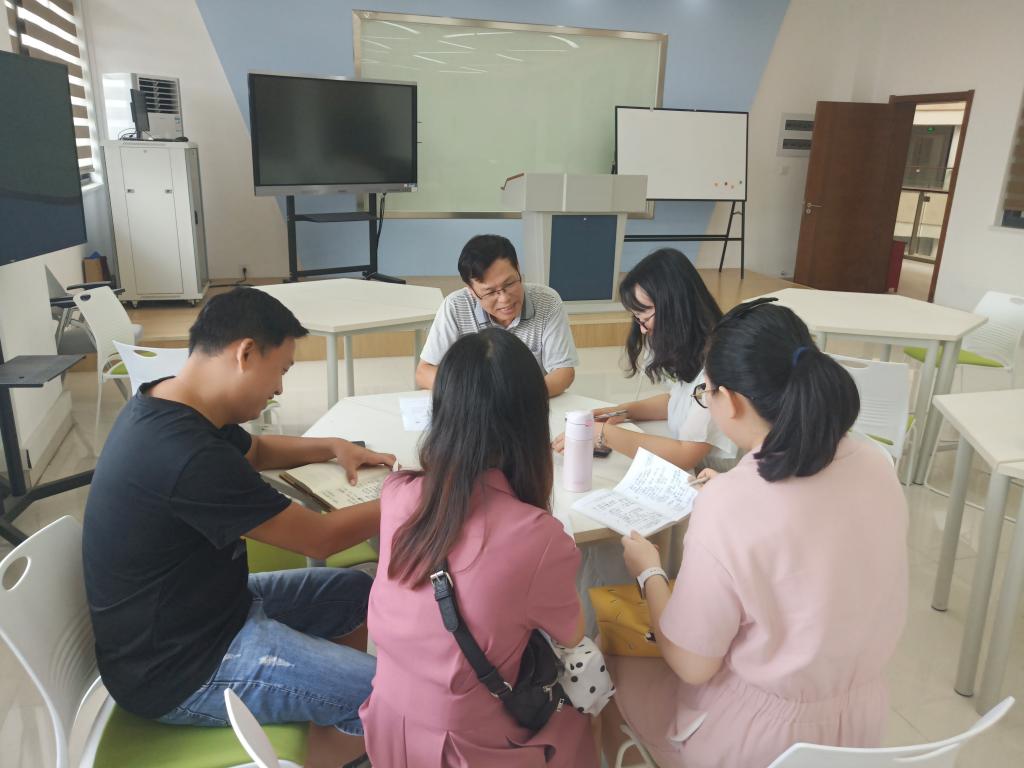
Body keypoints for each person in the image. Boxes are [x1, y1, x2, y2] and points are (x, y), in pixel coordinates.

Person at [82, 288, 396, 768]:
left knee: (355, 593)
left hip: (206, 613)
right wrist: (411, 495)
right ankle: (341, 725)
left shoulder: (173, 401)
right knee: (382, 693)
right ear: (245, 353)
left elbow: (258, 451)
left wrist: (334, 446)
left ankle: (322, 709)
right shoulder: (186, 454)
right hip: (179, 668)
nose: (281, 389)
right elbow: (321, 537)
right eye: (282, 370)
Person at [602, 299, 909, 768]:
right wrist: (731, 490)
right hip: (858, 731)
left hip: (756, 742)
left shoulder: (730, 505)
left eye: (706, 393)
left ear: (731, 401)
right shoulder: (875, 464)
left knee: (605, 658)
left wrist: (650, 573)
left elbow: (692, 663)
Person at [362, 328, 596, 767]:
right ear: (532, 420)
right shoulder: (539, 537)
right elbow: (571, 634)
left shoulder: (397, 493)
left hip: (386, 725)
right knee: (587, 706)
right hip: (467, 749)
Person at [553, 248, 737, 473]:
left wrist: (603, 434)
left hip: (723, 478)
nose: (642, 329)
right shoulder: (692, 348)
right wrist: (622, 411)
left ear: (675, 307)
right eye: (637, 319)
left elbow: (685, 454)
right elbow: (677, 400)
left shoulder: (719, 364)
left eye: (645, 317)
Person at [415, 234, 579, 397]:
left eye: (510, 283)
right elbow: (424, 372)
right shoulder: (455, 306)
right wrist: (475, 396)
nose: (504, 299)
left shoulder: (547, 301)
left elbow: (563, 372)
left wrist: (519, 398)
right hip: (473, 404)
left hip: (528, 405)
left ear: (518, 268)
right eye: (490, 292)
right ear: (471, 291)